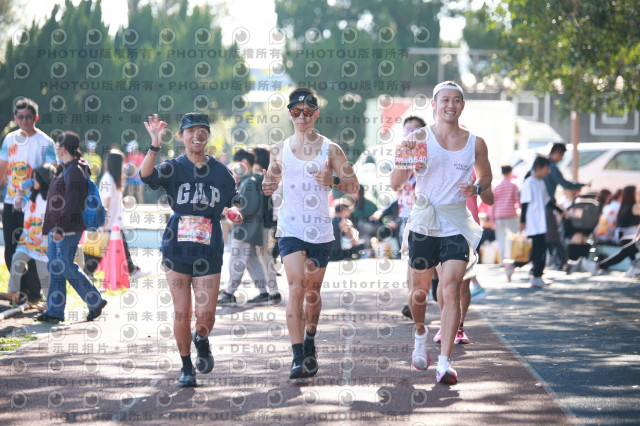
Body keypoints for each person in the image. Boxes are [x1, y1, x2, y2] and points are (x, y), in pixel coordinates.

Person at [391, 81, 492, 385]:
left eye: (456, 100)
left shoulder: (475, 143)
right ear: (434, 105)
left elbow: (487, 178)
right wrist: (407, 159)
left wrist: (476, 188)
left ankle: (445, 363)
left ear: (462, 105)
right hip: (424, 222)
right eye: (445, 100)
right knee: (419, 294)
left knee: (451, 288)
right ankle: (420, 334)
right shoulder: (417, 139)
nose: (451, 105)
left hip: (456, 222)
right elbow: (396, 182)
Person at [262, 87, 359, 379]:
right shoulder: (279, 150)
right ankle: (296, 357)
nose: (301, 117)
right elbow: (272, 180)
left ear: (316, 114)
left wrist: (333, 179)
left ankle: (310, 340)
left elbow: (353, 185)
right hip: (290, 228)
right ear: (290, 114)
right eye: (296, 112)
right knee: (296, 287)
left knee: (312, 292)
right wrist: (268, 186)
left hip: (319, 230)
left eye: (307, 112)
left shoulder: (331, 149)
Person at [140, 113, 242, 387]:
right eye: (190, 130)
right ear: (182, 136)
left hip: (209, 250)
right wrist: (154, 145)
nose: (197, 135)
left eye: (202, 131)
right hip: (176, 249)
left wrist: (234, 212)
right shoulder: (173, 167)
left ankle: (202, 338)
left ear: (208, 136)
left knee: (206, 316)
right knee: (182, 312)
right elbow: (146, 176)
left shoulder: (221, 171)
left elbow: (233, 200)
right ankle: (186, 366)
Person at [36, 131, 108, 323]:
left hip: (67, 227)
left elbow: (71, 202)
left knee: (65, 265)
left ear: (64, 148)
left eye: (58, 146)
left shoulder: (75, 170)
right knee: (56, 266)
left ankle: (94, 300)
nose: (56, 150)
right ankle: (55, 310)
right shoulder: (66, 167)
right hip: (58, 226)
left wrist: (59, 227)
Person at [0, 98, 56, 302]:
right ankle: (18, 291)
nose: (24, 120)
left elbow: (52, 172)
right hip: (11, 200)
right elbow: (3, 166)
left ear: (36, 118)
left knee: (34, 249)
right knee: (11, 248)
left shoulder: (46, 142)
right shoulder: (9, 139)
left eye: (28, 117)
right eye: (20, 117)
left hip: (34, 204)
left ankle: (33, 293)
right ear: (15, 118)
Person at [218, 149, 281, 306]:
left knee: (237, 260)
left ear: (244, 162)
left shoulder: (250, 181)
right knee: (253, 262)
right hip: (253, 229)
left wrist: (231, 210)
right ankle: (264, 292)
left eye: (237, 163)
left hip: (245, 229)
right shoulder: (253, 180)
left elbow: (247, 208)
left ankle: (229, 293)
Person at [0, 164, 55, 307]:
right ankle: (13, 292)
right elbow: (19, 206)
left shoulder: (51, 200)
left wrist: (43, 235)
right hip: (27, 240)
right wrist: (19, 194)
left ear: (43, 180)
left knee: (44, 274)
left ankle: (51, 303)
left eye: (35, 178)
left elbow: (52, 220)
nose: (32, 181)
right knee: (17, 259)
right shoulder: (32, 196)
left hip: (42, 242)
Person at [83, 149, 141, 278]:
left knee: (107, 247)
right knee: (98, 248)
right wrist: (103, 221)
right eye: (122, 163)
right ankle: (87, 271)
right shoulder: (108, 179)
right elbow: (105, 202)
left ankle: (131, 270)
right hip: (108, 222)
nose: (125, 165)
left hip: (114, 222)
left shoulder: (114, 179)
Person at [543, 143, 587, 271]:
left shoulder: (544, 165)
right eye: (562, 156)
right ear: (557, 153)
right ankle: (562, 263)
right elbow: (564, 183)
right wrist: (580, 185)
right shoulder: (551, 167)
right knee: (554, 236)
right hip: (547, 205)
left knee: (547, 236)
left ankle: (559, 262)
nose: (562, 159)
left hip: (546, 205)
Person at [518, 156, 555, 287]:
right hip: (533, 222)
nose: (548, 171)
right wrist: (522, 221)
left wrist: (561, 211)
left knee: (538, 249)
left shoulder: (540, 182)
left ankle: (534, 274)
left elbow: (547, 201)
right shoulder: (529, 182)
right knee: (538, 250)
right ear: (539, 168)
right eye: (546, 168)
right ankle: (536, 276)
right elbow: (524, 203)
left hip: (539, 222)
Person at [251, 146, 282, 302]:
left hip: (262, 222)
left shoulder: (264, 177)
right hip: (265, 221)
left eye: (253, 157)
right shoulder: (268, 176)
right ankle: (268, 290)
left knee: (264, 255)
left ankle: (271, 291)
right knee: (261, 255)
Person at [492, 165, 520, 261]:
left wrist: (492, 219)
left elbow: (493, 204)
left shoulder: (497, 186)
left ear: (502, 173)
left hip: (498, 216)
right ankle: (514, 258)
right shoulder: (513, 185)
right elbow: (517, 200)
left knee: (501, 239)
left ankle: (502, 260)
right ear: (510, 172)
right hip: (511, 215)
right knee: (515, 237)